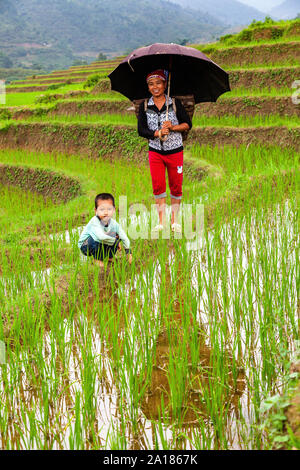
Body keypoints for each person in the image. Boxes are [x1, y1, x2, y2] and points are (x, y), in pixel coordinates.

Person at [137, 69, 192, 233]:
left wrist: (172, 127)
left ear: (165, 84)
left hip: (175, 151)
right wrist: (157, 133)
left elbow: (187, 124)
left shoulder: (174, 103)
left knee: (176, 186)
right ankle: (161, 222)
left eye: (158, 83)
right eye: (151, 84)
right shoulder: (145, 106)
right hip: (155, 152)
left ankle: (174, 221)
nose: (155, 87)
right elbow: (141, 130)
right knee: (158, 185)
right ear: (148, 87)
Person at [78, 193, 132, 267]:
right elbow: (101, 237)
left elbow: (124, 237)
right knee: (97, 237)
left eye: (109, 209)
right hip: (86, 245)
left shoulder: (113, 223)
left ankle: (109, 257)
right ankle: (97, 259)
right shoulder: (94, 221)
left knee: (116, 235)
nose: (106, 213)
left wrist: (128, 253)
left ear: (114, 210)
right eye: (102, 209)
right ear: (96, 210)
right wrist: (115, 242)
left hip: (99, 241)